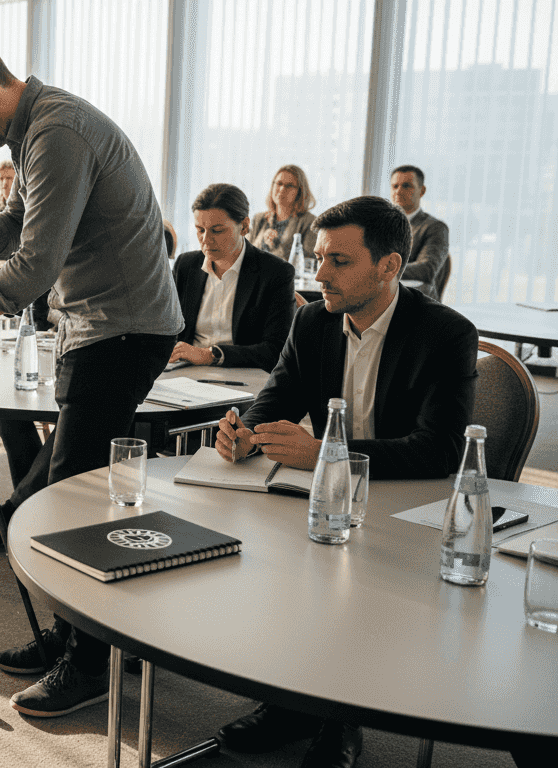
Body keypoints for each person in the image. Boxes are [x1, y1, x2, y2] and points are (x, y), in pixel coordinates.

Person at [0, 37, 182, 717]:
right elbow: (14, 224)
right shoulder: (35, 129)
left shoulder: (56, 132)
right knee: (70, 489)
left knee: (71, 498)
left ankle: (91, 663)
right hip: (100, 326)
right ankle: (77, 637)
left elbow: (32, 264)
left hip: (122, 329)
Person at [213, 195, 477, 768]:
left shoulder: (446, 332)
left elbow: (439, 450)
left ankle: (339, 724)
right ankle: (290, 703)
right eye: (317, 257)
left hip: (413, 506)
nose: (319, 274)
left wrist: (327, 454)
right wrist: (243, 432)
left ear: (389, 267)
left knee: (345, 583)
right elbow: (276, 397)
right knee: (271, 558)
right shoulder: (313, 319)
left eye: (338, 261)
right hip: (336, 495)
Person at [169, 183, 295, 372]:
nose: (206, 240)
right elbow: (166, 329)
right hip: (184, 372)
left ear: (244, 226)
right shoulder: (186, 265)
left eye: (217, 230)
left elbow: (276, 349)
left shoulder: (275, 272)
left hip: (243, 373)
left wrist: (211, 355)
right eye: (200, 229)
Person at [390, 164, 449, 300]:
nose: (398, 191)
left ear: (421, 191)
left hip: (418, 302)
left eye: (406, 186)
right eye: (395, 186)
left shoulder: (436, 227)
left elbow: (426, 269)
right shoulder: (379, 225)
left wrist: (379, 270)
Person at [247, 164, 317, 264]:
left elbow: (309, 263)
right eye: (279, 183)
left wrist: (277, 245)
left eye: (289, 186)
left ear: (300, 192)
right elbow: (247, 255)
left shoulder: (309, 222)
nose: (282, 189)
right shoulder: (259, 218)